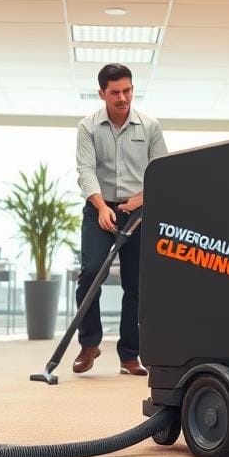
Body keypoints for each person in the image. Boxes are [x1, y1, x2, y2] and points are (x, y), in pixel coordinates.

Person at [72, 63, 167, 376]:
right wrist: (100, 207)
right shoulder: (88, 127)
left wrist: (141, 199)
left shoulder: (150, 127)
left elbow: (162, 171)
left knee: (136, 284)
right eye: (115, 92)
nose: (123, 97)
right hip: (100, 207)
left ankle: (129, 354)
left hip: (138, 209)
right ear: (102, 93)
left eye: (127, 90)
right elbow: (85, 170)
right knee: (89, 272)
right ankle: (89, 343)